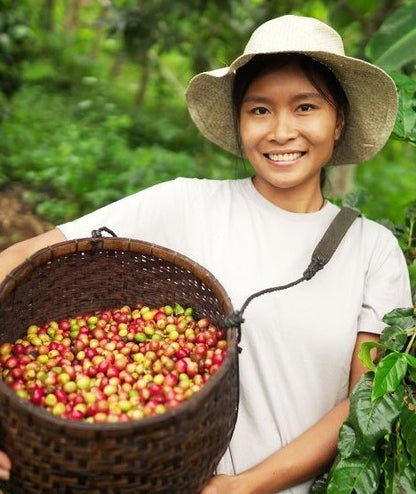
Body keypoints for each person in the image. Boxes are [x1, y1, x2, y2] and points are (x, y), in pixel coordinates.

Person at [0, 14, 412, 494]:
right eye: (259, 110)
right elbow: (18, 259)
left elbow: (362, 403)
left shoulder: (372, 249)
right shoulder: (186, 203)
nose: (281, 131)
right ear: (240, 123)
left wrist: (244, 486)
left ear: (337, 120)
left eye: (305, 107)